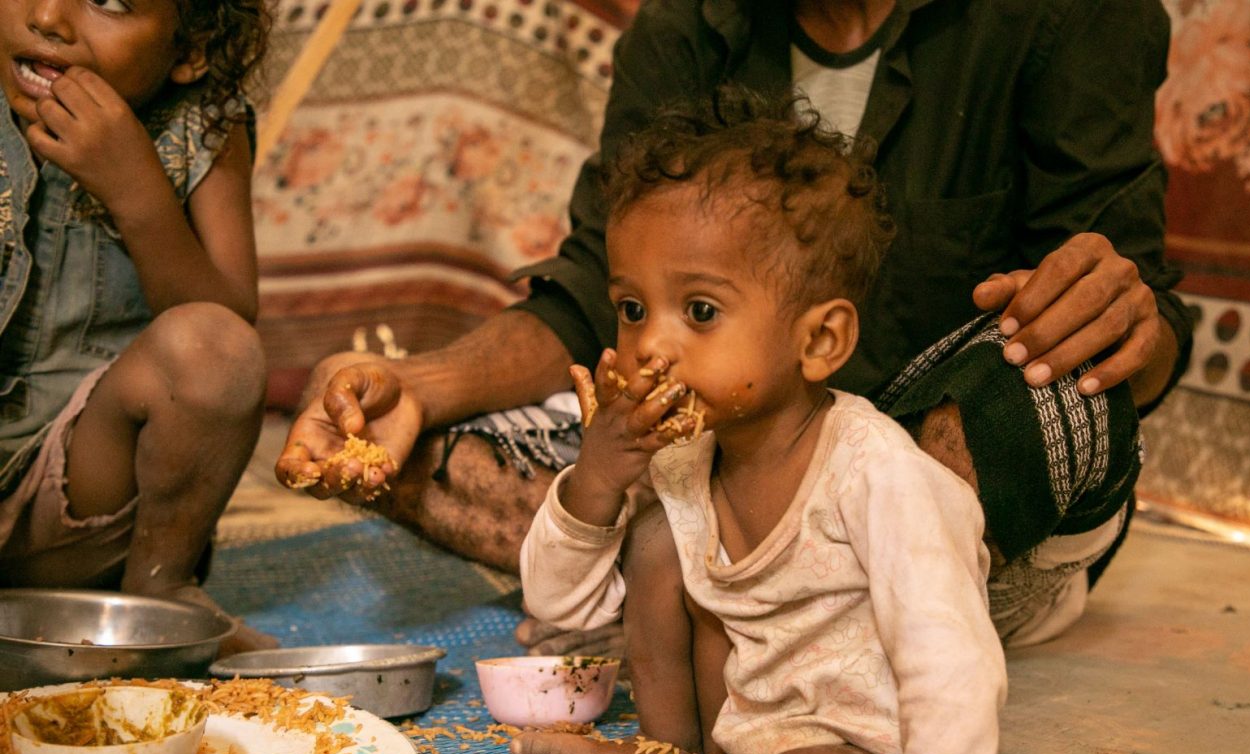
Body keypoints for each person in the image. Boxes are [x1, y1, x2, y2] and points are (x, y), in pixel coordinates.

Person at [276, 0, 1183, 633]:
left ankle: (785, 595)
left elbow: (1134, 322)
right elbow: (601, 284)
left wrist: (1124, 323)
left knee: (1035, 373)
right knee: (416, 453)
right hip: (730, 455)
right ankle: (780, 603)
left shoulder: (1073, 13)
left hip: (936, 469)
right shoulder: (686, 24)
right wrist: (425, 386)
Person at [513, 88, 1010, 754]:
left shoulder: (876, 474)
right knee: (655, 539)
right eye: (633, 309)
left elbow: (950, 654)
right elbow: (560, 609)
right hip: (724, 737)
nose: (650, 347)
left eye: (699, 311)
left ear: (820, 341)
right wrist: (596, 479)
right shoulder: (680, 460)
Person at [0, 0, 276, 653]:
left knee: (214, 347)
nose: (48, 17)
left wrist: (137, 189)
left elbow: (227, 325)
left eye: (112, 3)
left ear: (189, 51)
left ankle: (157, 598)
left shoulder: (203, 125)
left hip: (79, 498)